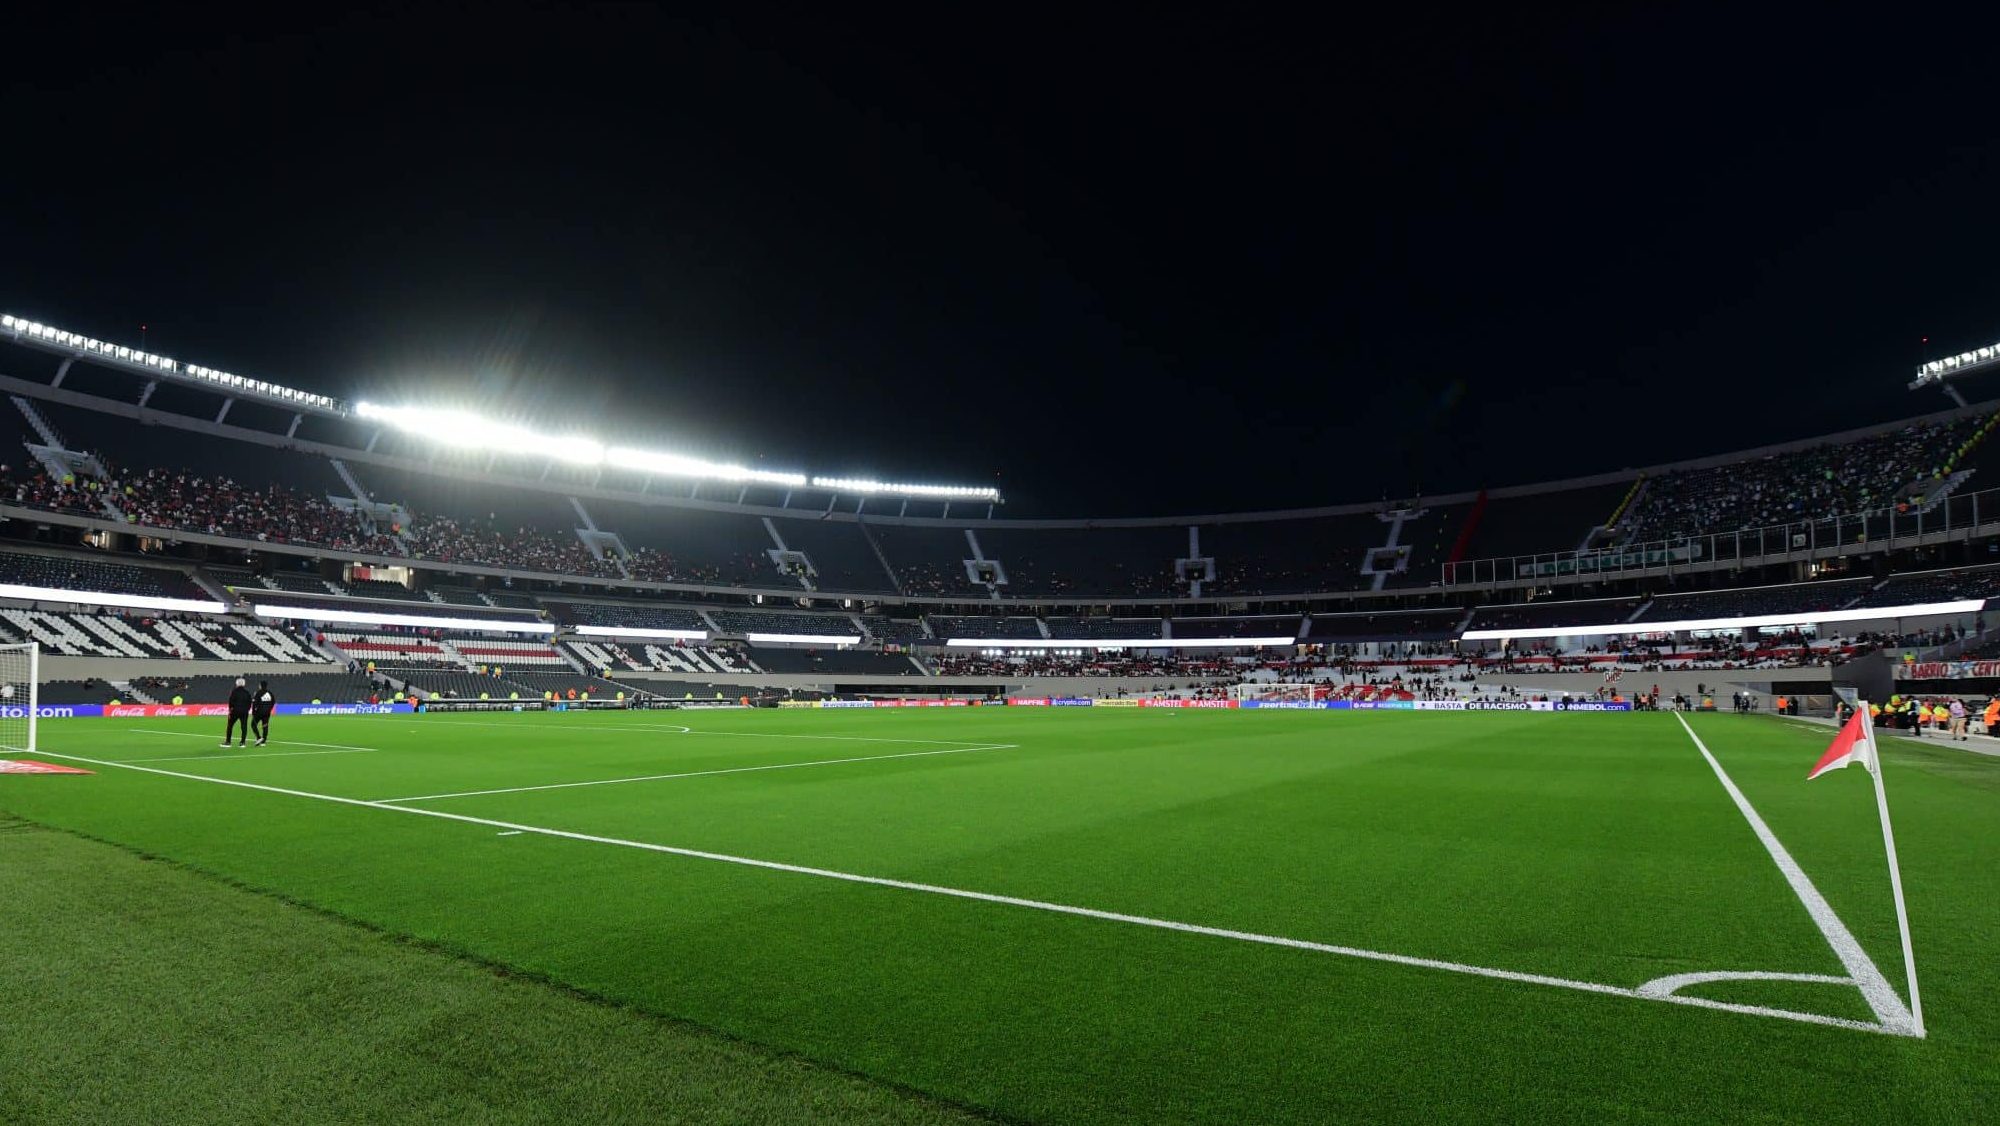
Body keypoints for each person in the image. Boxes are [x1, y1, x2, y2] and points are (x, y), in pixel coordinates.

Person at [223, 677, 252, 747]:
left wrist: (230, 710)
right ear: (244, 684)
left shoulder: (234, 691)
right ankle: (242, 742)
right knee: (244, 727)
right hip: (244, 712)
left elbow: (231, 702)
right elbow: (250, 702)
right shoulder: (247, 692)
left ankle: (228, 742)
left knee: (230, 726)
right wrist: (247, 709)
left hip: (235, 711)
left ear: (237, 683)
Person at [251, 680, 276, 746]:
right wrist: (269, 709)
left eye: (259, 685)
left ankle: (258, 737)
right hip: (267, 713)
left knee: (253, 724)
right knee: (265, 726)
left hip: (259, 712)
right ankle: (263, 741)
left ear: (261, 685)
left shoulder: (258, 693)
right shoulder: (270, 693)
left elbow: (254, 703)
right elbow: (273, 702)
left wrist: (253, 712)